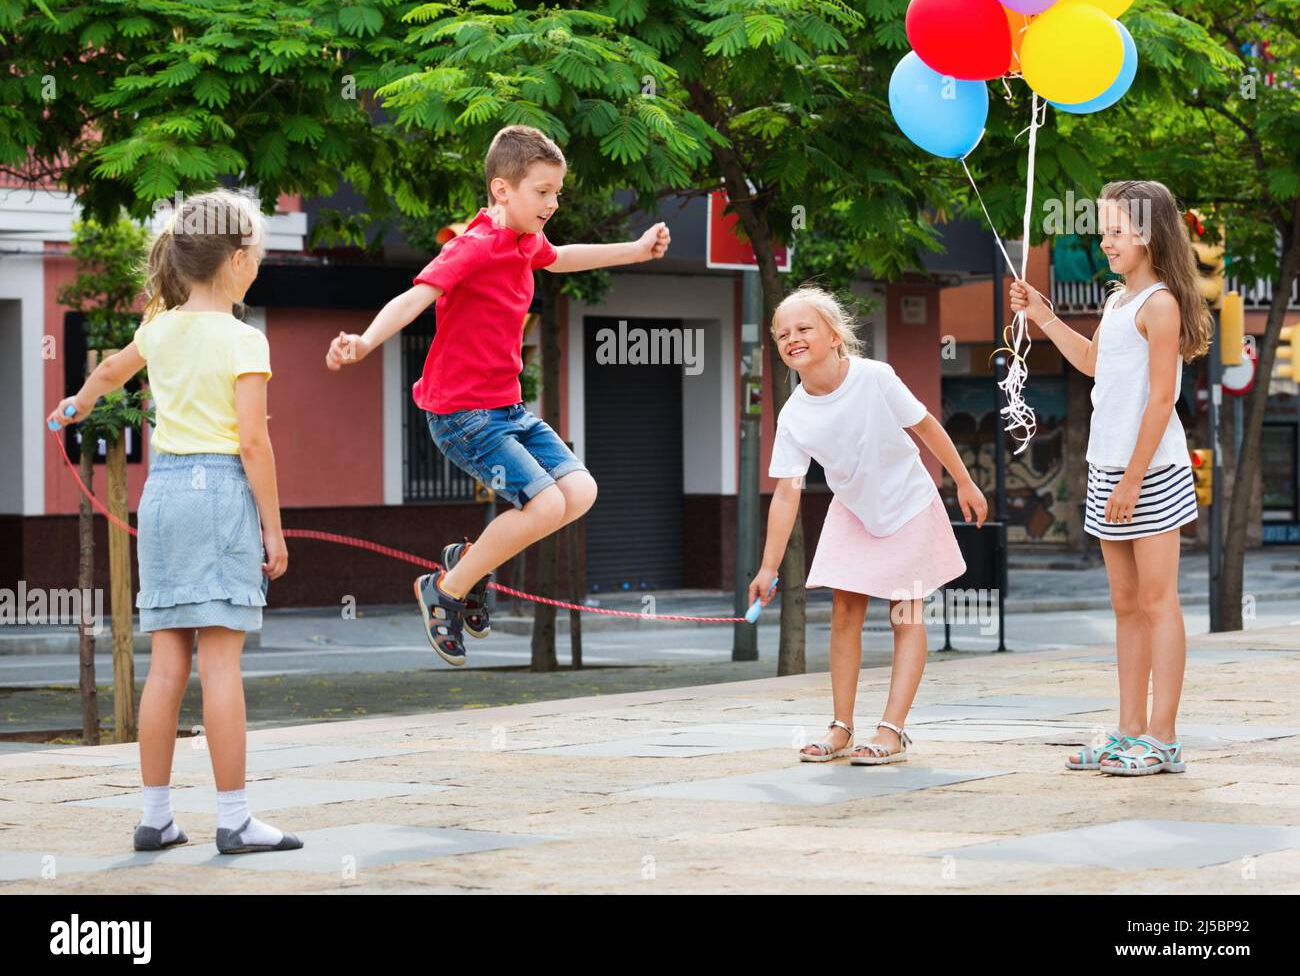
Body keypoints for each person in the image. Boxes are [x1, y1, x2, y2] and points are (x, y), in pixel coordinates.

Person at [326, 124, 670, 665]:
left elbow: (563, 258)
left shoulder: (526, 241)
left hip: (508, 410)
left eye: (557, 192)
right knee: (545, 502)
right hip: (462, 415)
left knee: (579, 493)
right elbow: (416, 296)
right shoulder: (476, 244)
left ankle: (468, 562)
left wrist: (636, 250)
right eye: (542, 192)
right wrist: (365, 342)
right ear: (502, 189)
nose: (553, 203)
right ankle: (444, 589)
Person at [49, 188, 301, 853]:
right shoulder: (245, 341)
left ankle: (156, 816)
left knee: (167, 664)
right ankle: (236, 818)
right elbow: (253, 444)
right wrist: (273, 529)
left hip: (161, 496)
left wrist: (76, 405)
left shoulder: (157, 330)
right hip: (220, 496)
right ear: (239, 261)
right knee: (220, 667)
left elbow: (109, 370)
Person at [1011, 180, 1211, 776]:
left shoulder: (1161, 304)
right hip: (1107, 469)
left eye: (1116, 231)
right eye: (1104, 231)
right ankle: (1129, 731)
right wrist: (1044, 316)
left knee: (1157, 602)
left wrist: (1131, 479)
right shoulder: (1116, 302)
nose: (1106, 242)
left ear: (1149, 233)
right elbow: (1094, 364)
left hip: (1149, 472)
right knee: (1125, 605)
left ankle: (1165, 738)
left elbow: (1161, 399)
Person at [749, 286, 988, 765]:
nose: (792, 338)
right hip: (854, 508)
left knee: (906, 614)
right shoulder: (793, 413)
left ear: (835, 336)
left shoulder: (875, 377)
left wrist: (964, 482)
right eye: (782, 334)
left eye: (803, 328)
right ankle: (840, 728)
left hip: (908, 501)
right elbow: (788, 493)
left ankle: (892, 731)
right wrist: (767, 567)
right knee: (843, 613)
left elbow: (925, 427)